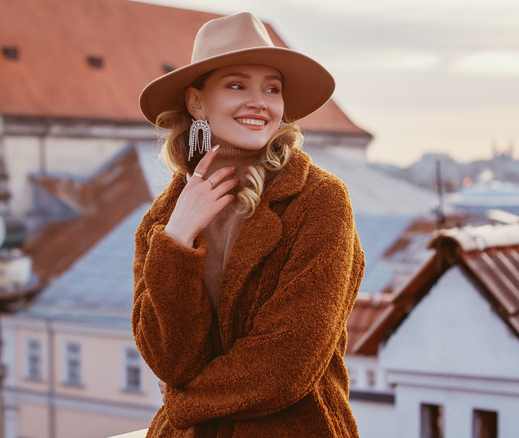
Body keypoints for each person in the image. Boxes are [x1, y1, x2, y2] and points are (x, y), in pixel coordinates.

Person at [133, 12, 364, 437]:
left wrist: (185, 404)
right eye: (237, 85)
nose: (260, 101)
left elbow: (288, 361)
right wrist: (176, 240)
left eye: (272, 88)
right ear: (197, 102)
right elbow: (169, 360)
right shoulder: (164, 218)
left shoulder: (319, 200)